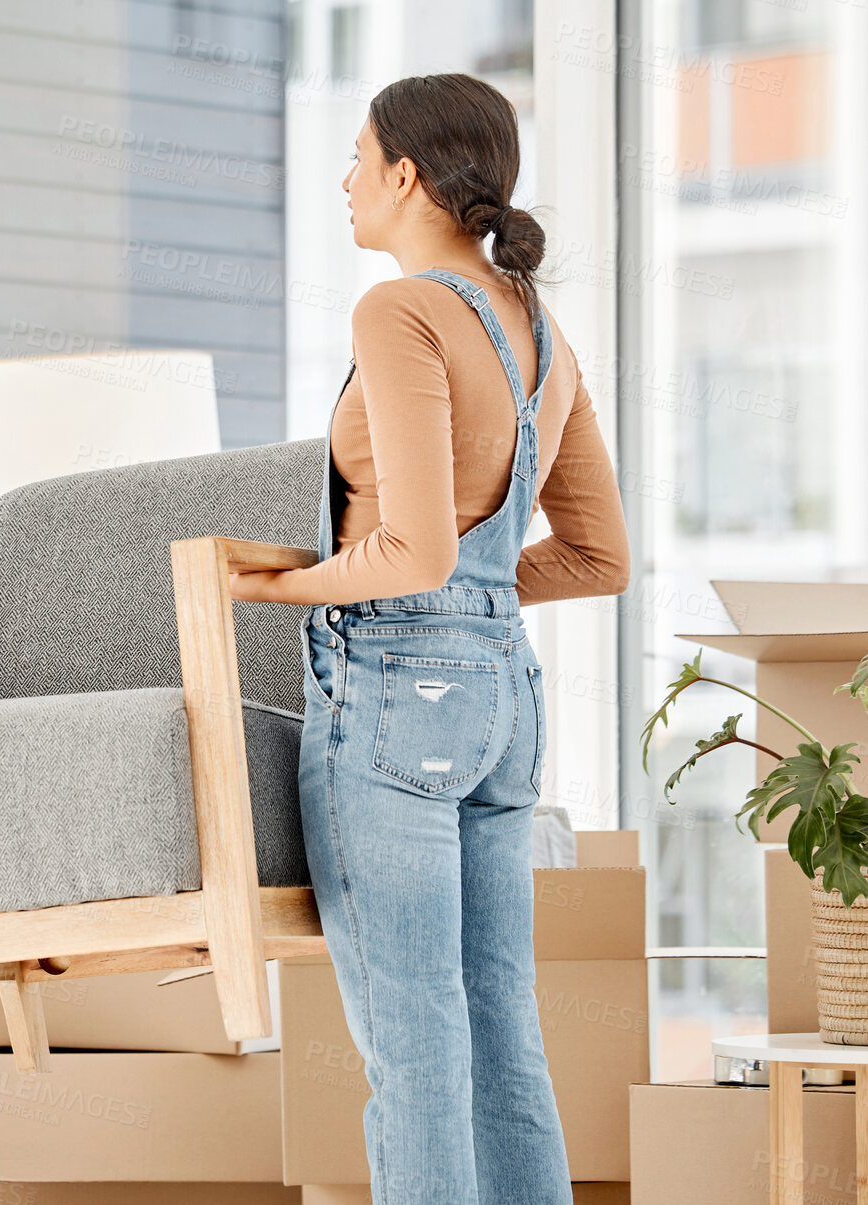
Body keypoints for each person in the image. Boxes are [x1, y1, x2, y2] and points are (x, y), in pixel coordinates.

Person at [231, 73, 629, 1204]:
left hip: (395, 693)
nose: (345, 180)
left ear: (407, 174)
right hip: (505, 697)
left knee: (411, 1043)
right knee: (502, 1025)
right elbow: (600, 557)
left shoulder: (400, 311)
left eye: (358, 157)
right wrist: (470, 610)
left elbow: (411, 551)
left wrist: (274, 586)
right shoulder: (541, 331)